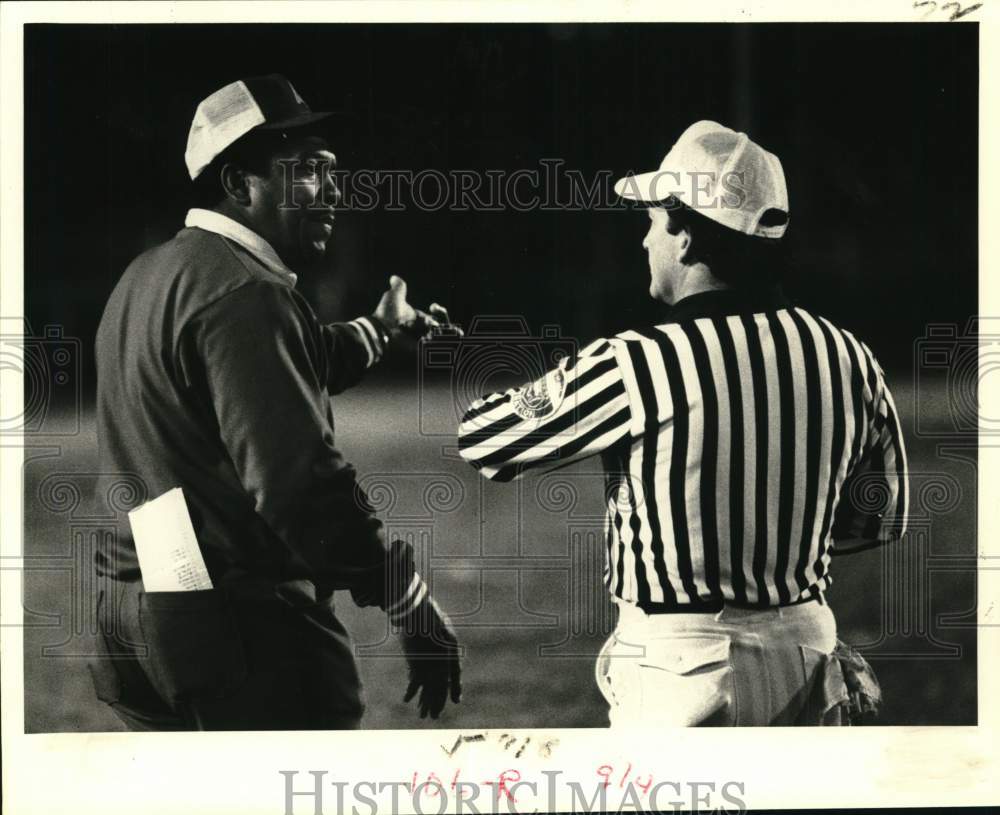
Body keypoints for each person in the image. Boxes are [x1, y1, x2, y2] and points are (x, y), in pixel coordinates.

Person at [457, 120, 908, 726]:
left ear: (685, 233)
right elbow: (877, 519)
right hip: (809, 655)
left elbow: (486, 441)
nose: (645, 241)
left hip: (681, 666)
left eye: (652, 221)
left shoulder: (637, 360)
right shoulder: (849, 355)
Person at [88, 74, 461, 730]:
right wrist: (403, 593)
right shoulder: (246, 292)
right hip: (235, 621)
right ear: (240, 184)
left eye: (333, 169)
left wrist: (381, 328)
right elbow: (298, 484)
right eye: (309, 170)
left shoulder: (149, 276)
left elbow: (285, 363)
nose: (335, 188)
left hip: (132, 611)